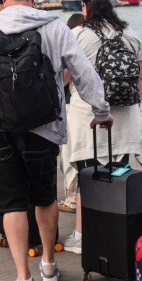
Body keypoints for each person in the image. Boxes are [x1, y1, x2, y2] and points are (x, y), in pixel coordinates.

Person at [0, 0, 112, 281]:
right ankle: (49, 263)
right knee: (44, 197)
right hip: (44, 128)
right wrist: (101, 111)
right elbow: (83, 72)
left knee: (12, 203)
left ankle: (23, 279)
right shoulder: (55, 27)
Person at [62, 0, 142, 254]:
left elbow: (63, 79)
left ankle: (82, 236)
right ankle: (117, 233)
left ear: (84, 7)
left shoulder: (77, 34)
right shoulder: (130, 33)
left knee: (87, 179)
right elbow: (139, 81)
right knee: (119, 176)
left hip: (87, 120)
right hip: (124, 121)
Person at [58, 12, 87, 214]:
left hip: (71, 107)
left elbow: (65, 79)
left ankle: (72, 200)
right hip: (89, 108)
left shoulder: (72, 44)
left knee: (70, 156)